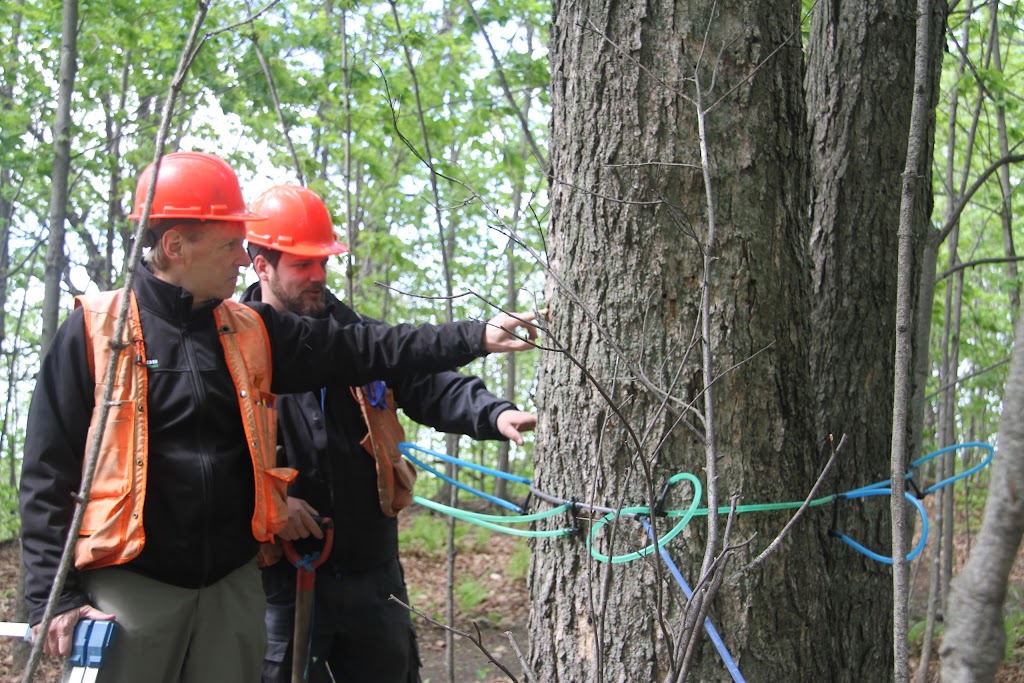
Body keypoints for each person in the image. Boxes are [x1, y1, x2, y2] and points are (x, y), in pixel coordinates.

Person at [18, 152, 539, 683]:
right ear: (176, 246)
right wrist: (53, 598)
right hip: (135, 588)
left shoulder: (249, 331)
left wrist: (477, 337)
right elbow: (47, 473)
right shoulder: (95, 332)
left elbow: (369, 347)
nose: (242, 259)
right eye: (229, 245)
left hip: (233, 586)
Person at [241, 184, 537, 683]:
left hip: (372, 578)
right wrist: (269, 501)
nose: (318, 277)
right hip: (280, 584)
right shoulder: (231, 351)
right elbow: (204, 456)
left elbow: (428, 384)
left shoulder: (358, 340)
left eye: (323, 263)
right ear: (261, 266)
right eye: (302, 265)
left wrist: (492, 413)